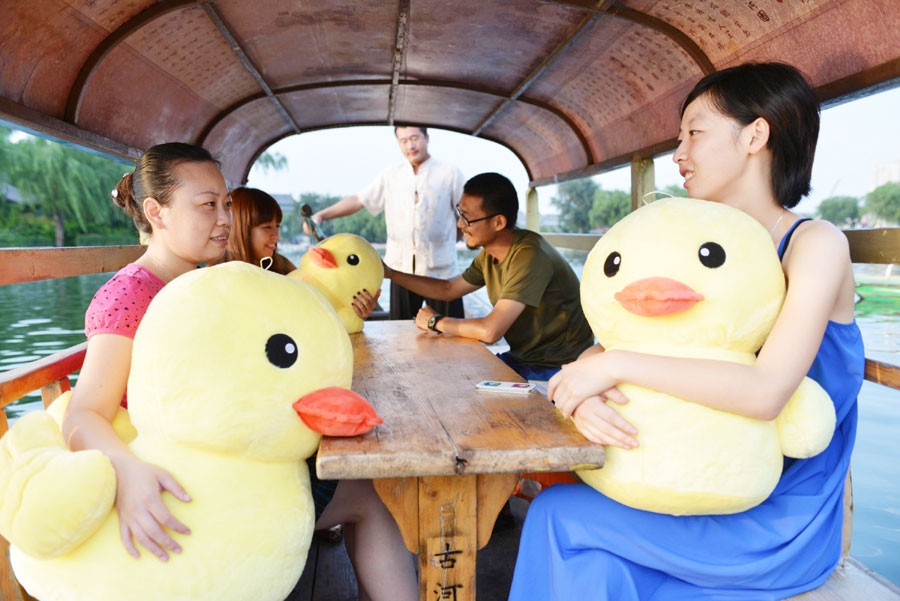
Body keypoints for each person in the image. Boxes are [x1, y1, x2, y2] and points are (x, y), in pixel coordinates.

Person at [508, 62, 864, 600]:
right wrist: (582, 396)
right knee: (587, 558)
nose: (678, 154)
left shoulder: (814, 244)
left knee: (560, 517)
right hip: (680, 480)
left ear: (756, 135)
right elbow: (596, 355)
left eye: (694, 133)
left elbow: (768, 392)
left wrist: (616, 367)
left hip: (773, 512)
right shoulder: (687, 243)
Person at [221, 186, 416, 601]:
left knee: (365, 475)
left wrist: (359, 310)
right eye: (265, 229)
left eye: (276, 227)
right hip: (253, 461)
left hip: (276, 428)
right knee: (373, 498)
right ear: (239, 228)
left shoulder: (279, 268)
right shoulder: (233, 285)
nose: (274, 236)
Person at [62, 142, 231, 562]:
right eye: (208, 205)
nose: (225, 219)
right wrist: (127, 471)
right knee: (361, 500)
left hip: (211, 458)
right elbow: (83, 414)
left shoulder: (201, 285)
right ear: (156, 213)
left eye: (226, 203)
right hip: (167, 483)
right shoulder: (132, 294)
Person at [383, 172, 594, 381]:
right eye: (459, 213)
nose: (459, 224)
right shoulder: (489, 256)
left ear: (498, 223)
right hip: (524, 359)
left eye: (467, 217)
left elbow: (490, 331)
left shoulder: (529, 256)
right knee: (446, 376)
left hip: (559, 369)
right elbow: (448, 290)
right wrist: (391, 274)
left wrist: (435, 322)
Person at [306, 125, 465, 320]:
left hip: (443, 271)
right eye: (404, 141)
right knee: (400, 333)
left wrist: (451, 238)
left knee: (451, 336)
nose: (410, 145)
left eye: (415, 138)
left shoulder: (449, 172)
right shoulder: (391, 174)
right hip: (401, 271)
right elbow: (359, 200)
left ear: (427, 138)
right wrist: (321, 215)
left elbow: (464, 214)